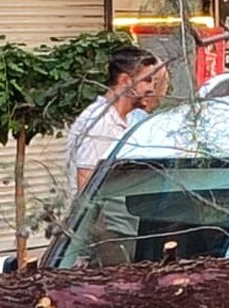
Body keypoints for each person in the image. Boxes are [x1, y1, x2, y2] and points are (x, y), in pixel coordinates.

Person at [65, 46, 169, 197]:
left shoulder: (119, 119)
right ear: (125, 80)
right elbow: (87, 187)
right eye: (147, 80)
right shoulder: (102, 123)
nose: (152, 89)